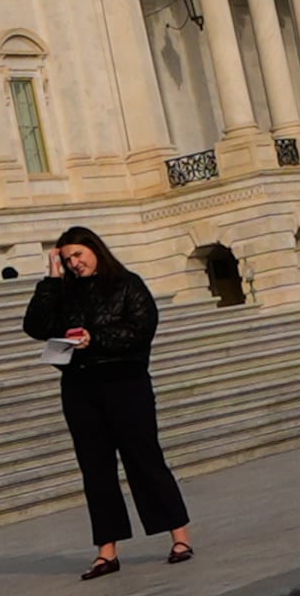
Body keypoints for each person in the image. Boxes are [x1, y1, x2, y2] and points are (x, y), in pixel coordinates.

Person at [22, 225, 193, 577]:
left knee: (144, 460)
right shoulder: (64, 291)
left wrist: (94, 338)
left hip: (126, 384)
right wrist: (51, 280)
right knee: (96, 470)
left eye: (78, 256)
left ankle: (179, 536)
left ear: (95, 250)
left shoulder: (128, 284)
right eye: (67, 259)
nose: (74, 263)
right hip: (80, 388)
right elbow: (35, 325)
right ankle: (107, 550)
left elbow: (141, 329)